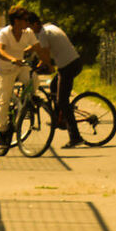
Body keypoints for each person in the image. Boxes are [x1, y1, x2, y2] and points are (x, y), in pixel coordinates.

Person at [27, 14, 83, 147]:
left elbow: (44, 53)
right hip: (73, 62)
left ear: (35, 24)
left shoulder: (43, 34)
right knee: (53, 87)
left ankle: (75, 137)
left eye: (29, 26)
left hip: (68, 66)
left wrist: (46, 66)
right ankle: (59, 118)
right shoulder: (49, 27)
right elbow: (40, 49)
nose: (29, 29)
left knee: (62, 100)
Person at [0, 6, 39, 144]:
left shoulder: (28, 32)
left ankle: (28, 104)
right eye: (25, 19)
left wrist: (47, 63)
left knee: (34, 80)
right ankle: (1, 131)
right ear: (16, 21)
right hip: (5, 69)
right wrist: (12, 58)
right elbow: (0, 50)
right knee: (4, 100)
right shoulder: (4, 33)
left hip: (20, 66)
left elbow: (38, 47)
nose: (28, 22)